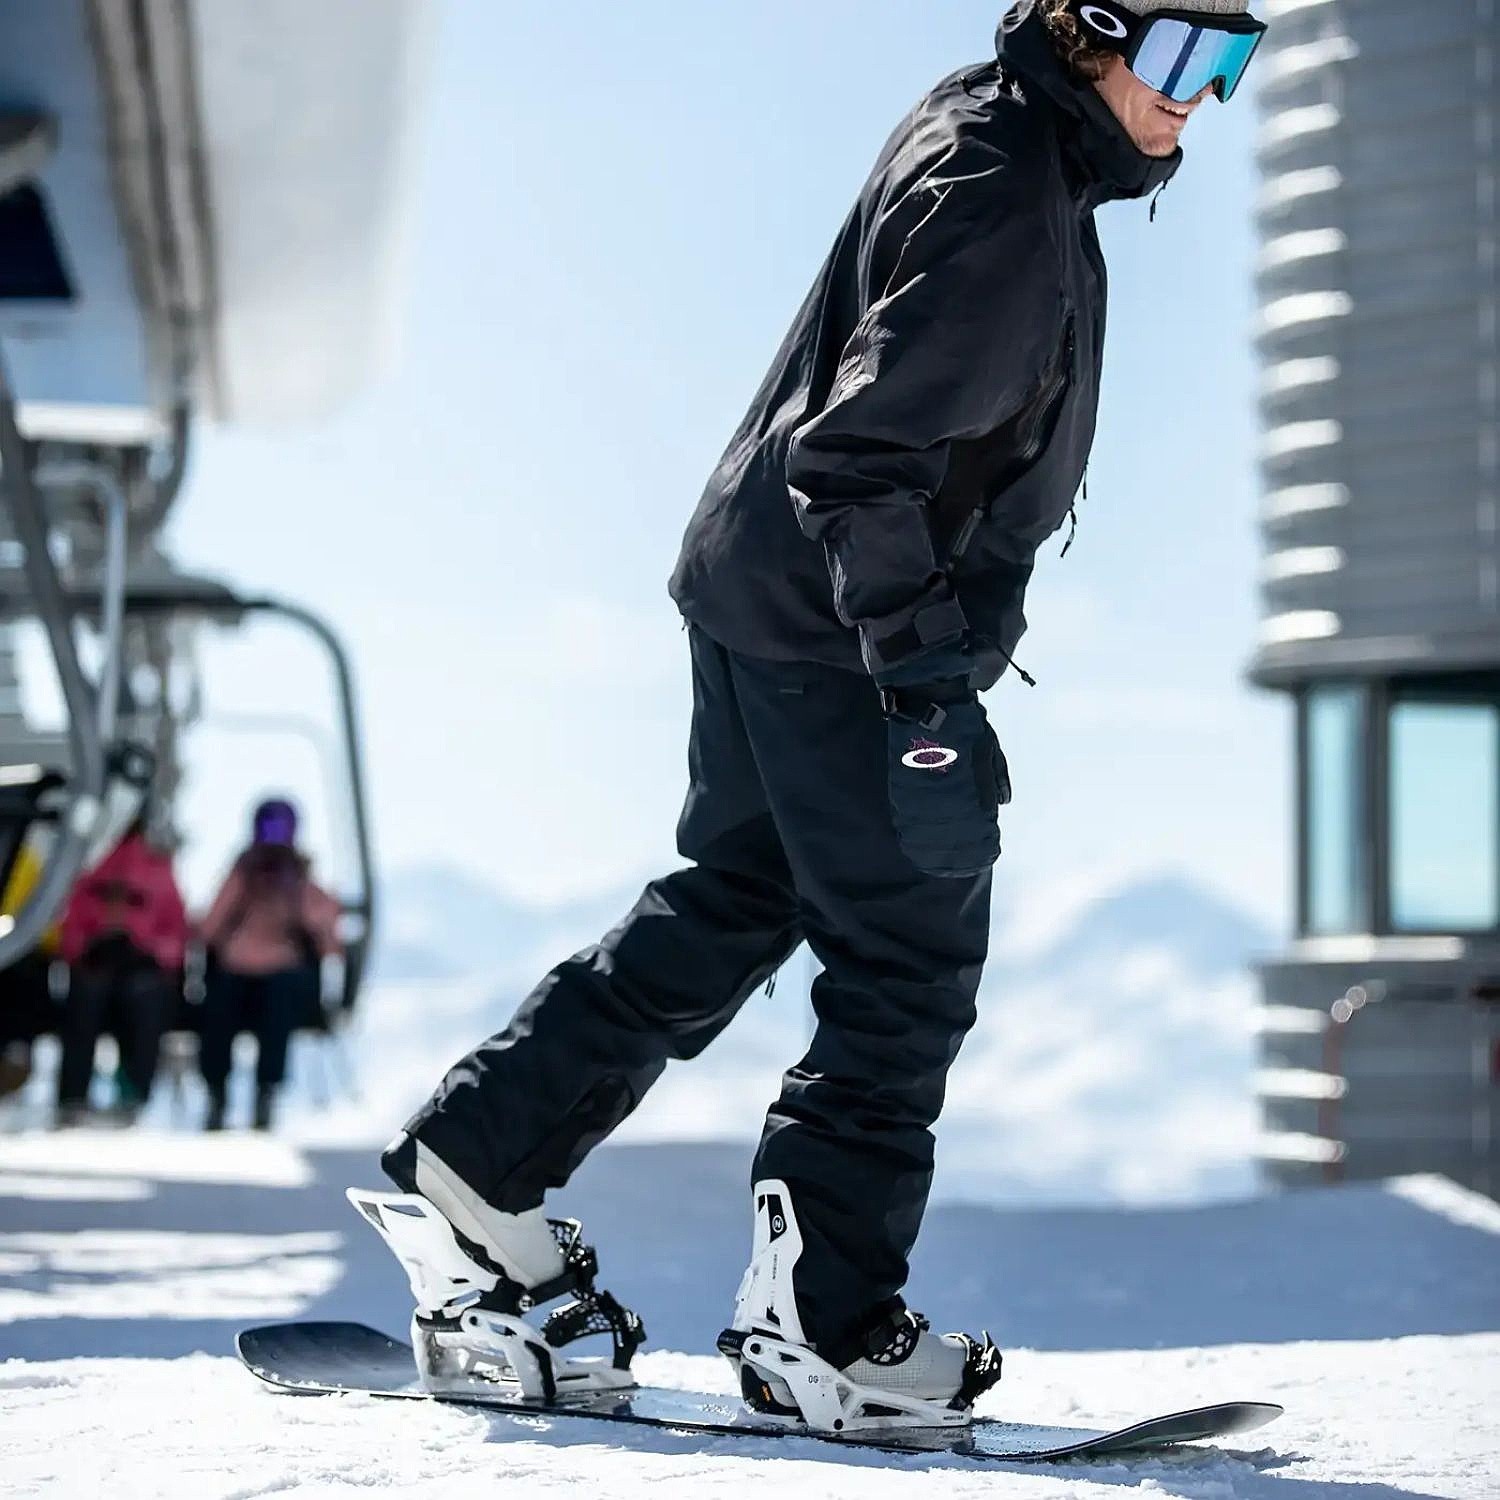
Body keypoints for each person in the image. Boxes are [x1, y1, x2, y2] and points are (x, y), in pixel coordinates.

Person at [361, 0, 1268, 1430]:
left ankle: (475, 1163)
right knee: (908, 960)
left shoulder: (1001, 129)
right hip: (842, 630)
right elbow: (858, 454)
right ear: (1088, 29)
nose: (1200, 95)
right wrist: (922, 687)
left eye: (1232, 60)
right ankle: (825, 1326)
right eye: (1178, 55)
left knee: (737, 897)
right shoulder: (1005, 192)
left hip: (766, 595)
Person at [198, 797, 343, 1132]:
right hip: (235, 972)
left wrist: (298, 894)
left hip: (283, 976)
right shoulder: (241, 876)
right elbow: (211, 927)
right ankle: (217, 1094)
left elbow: (327, 939)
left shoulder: (302, 881)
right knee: (218, 1009)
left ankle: (266, 1093)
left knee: (277, 1009)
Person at [55, 817, 189, 1126]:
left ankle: (130, 1095)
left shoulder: (157, 871)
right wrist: (87, 948)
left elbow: (176, 933)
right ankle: (75, 1098)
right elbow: (70, 927)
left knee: (143, 1000)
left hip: (143, 970)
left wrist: (145, 949)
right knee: (86, 999)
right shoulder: (90, 867)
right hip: (95, 967)